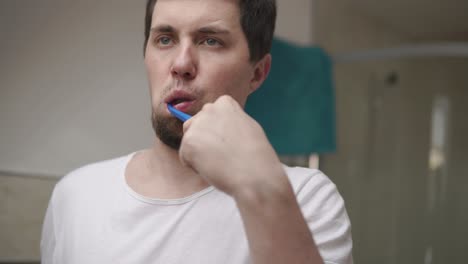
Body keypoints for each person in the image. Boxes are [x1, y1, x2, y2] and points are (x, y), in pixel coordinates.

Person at [40, 0, 353, 263]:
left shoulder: (308, 198)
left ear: (257, 73)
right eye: (165, 39)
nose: (181, 64)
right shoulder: (75, 194)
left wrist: (260, 186)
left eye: (210, 40)